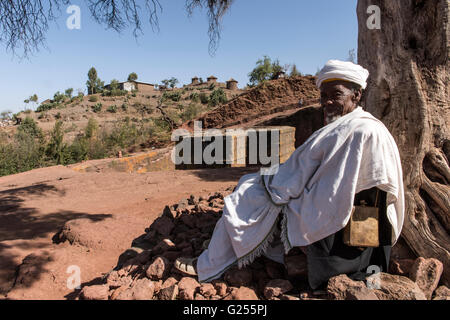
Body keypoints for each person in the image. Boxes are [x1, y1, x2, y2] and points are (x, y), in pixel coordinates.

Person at [174, 60, 405, 291]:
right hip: (322, 199)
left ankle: (210, 263)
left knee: (247, 192)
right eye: (323, 96)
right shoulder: (349, 125)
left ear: (356, 95)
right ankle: (230, 242)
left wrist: (279, 185)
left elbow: (345, 188)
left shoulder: (362, 130)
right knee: (253, 185)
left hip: (336, 216)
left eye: (336, 95)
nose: (327, 102)